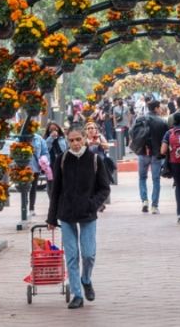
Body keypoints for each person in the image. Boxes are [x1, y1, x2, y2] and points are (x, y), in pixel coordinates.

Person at [46, 127, 111, 309]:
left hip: (88, 213)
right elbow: (55, 190)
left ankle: (86, 279)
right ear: (67, 141)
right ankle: (77, 294)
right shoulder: (62, 159)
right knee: (72, 255)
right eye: (71, 140)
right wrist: (52, 218)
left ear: (85, 139)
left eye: (78, 139)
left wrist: (92, 204)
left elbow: (105, 188)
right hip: (66, 214)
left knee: (88, 254)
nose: (75, 143)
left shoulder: (95, 160)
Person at [135, 99, 169, 214]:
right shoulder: (162, 122)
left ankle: (144, 201)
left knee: (142, 178)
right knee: (156, 180)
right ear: (156, 108)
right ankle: (154, 206)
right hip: (156, 154)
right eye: (159, 107)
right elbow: (166, 138)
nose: (160, 109)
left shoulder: (139, 119)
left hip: (143, 152)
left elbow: (132, 133)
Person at [28, 133, 50, 217]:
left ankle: (31, 209)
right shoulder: (21, 136)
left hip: (35, 167)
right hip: (22, 167)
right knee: (25, 188)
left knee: (33, 188)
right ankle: (24, 206)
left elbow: (45, 152)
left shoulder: (38, 138)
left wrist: (44, 162)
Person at [43, 122, 68, 194]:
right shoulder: (46, 139)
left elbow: (66, 150)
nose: (54, 131)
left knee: (61, 183)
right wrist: (51, 138)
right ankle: (52, 201)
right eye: (51, 129)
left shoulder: (63, 138)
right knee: (50, 184)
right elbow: (45, 148)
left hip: (61, 163)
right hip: (50, 165)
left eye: (55, 129)